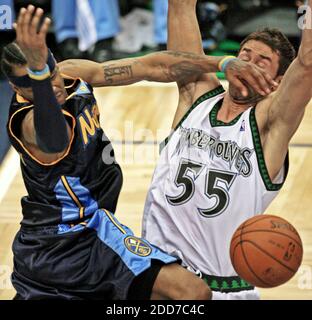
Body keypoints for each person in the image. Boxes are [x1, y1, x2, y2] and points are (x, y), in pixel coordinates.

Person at [2, 5, 274, 300]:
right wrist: (40, 74)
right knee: (191, 293)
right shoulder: (28, 121)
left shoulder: (70, 75)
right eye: (31, 81)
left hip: (77, 233)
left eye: (50, 69)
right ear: (15, 86)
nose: (50, 83)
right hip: (66, 240)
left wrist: (222, 63)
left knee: (176, 294)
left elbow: (155, 66)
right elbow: (54, 138)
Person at [141, 0, 310, 300]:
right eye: (244, 55)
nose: (248, 63)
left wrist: (308, 11)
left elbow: (307, 64)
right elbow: (180, 7)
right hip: (158, 273)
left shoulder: (268, 126)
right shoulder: (196, 94)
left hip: (220, 288)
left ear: (277, 82)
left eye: (262, 61)